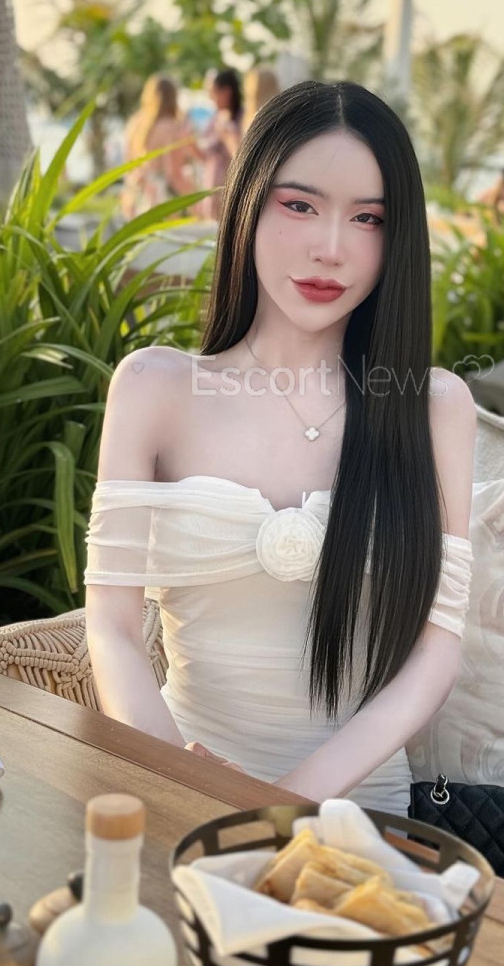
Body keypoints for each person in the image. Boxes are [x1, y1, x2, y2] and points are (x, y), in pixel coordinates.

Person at [83, 81, 477, 812]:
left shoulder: (432, 408)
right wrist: (186, 791)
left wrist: (284, 804)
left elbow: (436, 651)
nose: (331, 248)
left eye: (368, 218)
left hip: (356, 815)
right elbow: (112, 627)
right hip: (177, 792)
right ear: (247, 204)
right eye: (300, 206)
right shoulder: (153, 388)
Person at [121, 75, 197, 220]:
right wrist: (196, 203)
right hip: (162, 200)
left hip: (137, 197)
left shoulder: (135, 123)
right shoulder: (172, 127)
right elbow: (173, 172)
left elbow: (128, 166)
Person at [192, 68, 245, 221]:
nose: (210, 97)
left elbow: (242, 156)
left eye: (213, 91)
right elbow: (205, 156)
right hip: (213, 186)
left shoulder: (241, 118)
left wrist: (228, 134)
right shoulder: (215, 118)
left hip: (231, 187)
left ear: (226, 92)